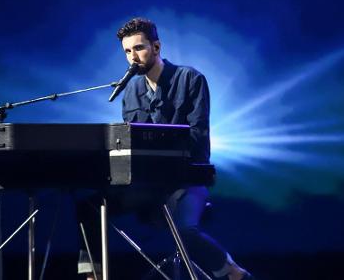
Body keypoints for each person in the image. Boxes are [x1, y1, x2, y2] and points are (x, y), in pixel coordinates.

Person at [78, 17, 254, 280]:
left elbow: (197, 137)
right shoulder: (131, 91)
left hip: (186, 178)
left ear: (157, 47)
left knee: (184, 230)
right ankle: (93, 275)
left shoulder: (190, 78)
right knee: (89, 206)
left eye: (139, 48)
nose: (133, 57)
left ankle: (231, 271)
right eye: (127, 51)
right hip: (147, 182)